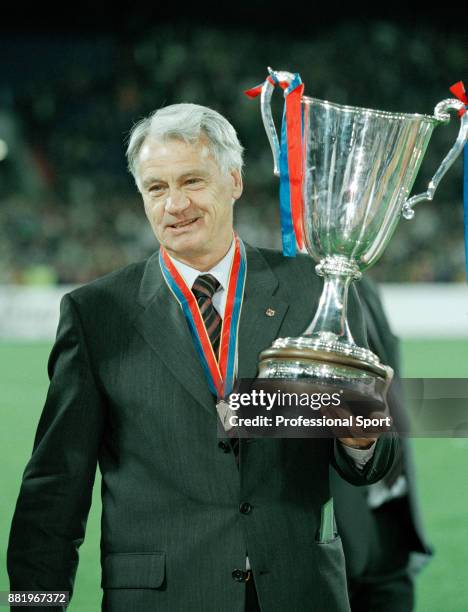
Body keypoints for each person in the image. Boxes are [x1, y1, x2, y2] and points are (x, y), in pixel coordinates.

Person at [8, 103, 399, 612]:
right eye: (156, 188)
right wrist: (34, 605)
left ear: (234, 181)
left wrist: (363, 439)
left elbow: (369, 458)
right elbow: (56, 484)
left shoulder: (314, 290)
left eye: (192, 181)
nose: (175, 205)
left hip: (300, 592)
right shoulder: (97, 312)